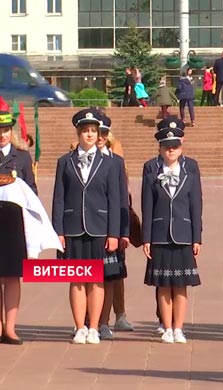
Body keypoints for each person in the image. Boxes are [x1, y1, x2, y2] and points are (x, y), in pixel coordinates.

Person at [52, 108, 120, 344]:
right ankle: (80, 326)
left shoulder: (109, 163)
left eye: (94, 131)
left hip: (99, 228)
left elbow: (114, 199)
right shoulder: (65, 161)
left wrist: (114, 233)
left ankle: (94, 326)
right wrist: (57, 231)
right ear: (79, 133)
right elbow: (58, 197)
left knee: (96, 279)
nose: (90, 135)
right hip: (73, 228)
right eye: (86, 131)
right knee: (77, 279)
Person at [142, 117, 203, 343]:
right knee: (163, 285)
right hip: (159, 234)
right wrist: (146, 237)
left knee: (180, 285)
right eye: (166, 147)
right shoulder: (151, 168)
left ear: (181, 147)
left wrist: (197, 236)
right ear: (160, 148)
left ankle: (179, 328)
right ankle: (166, 327)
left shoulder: (191, 167)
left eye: (175, 146)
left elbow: (196, 203)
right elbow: (146, 204)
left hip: (183, 233)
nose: (171, 150)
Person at [92, 113, 131, 340]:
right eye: (97, 132)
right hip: (87, 227)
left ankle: (105, 321)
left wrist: (123, 231)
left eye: (104, 133)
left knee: (109, 276)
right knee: (85, 276)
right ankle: (87, 321)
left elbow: (123, 199)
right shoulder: (76, 157)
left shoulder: (116, 161)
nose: (99, 137)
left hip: (110, 228)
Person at [0, 110, 37, 345]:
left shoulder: (22, 157)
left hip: (14, 224)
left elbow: (32, 190)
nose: (2, 135)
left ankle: (10, 328)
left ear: (11, 131)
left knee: (12, 277)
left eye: (5, 130)